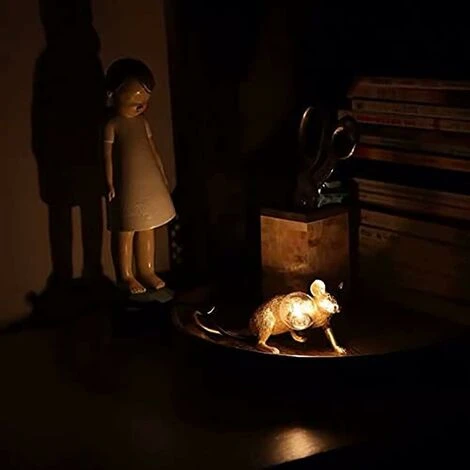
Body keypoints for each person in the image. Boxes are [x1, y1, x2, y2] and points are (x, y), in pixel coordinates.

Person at [104, 58, 175, 294]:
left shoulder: (142, 123)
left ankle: (147, 270)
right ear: (113, 95)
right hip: (125, 185)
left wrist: (161, 174)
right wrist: (109, 182)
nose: (141, 106)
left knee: (148, 226)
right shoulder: (113, 125)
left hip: (147, 183)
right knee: (126, 228)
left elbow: (153, 150)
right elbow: (107, 156)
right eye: (134, 101)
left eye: (144, 101)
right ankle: (125, 274)